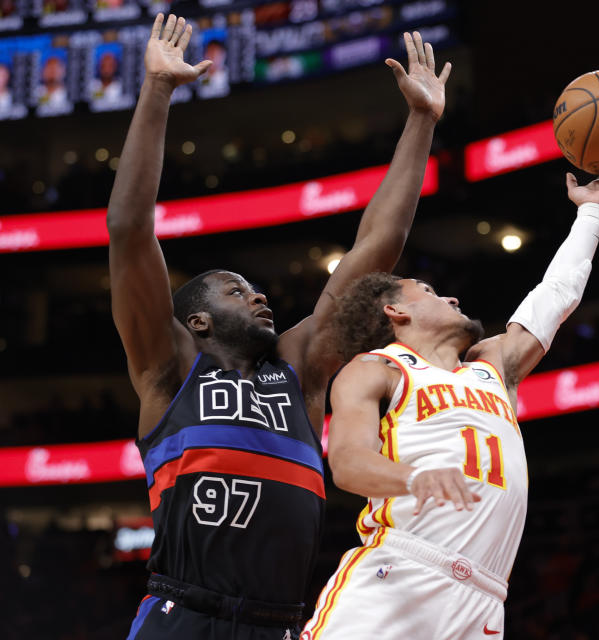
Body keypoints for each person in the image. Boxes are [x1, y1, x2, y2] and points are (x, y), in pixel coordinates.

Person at [108, 13, 451, 639]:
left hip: (281, 624)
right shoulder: (170, 369)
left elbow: (379, 243)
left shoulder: (300, 364)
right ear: (198, 319)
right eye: (238, 290)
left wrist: (422, 122)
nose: (260, 295)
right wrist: (156, 92)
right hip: (182, 614)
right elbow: (130, 232)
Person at [300, 160, 599, 638]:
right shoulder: (377, 369)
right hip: (401, 574)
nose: (453, 300)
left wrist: (590, 214)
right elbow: (348, 463)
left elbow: (556, 294)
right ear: (395, 311)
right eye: (430, 291)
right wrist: (415, 477)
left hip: (483, 600)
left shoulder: (494, 366)